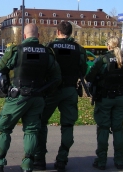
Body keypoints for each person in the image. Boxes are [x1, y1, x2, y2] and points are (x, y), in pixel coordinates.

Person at [0, 23, 61, 172]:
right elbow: (56, 77)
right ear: (38, 36)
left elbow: (1, 67)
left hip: (17, 96)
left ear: (24, 35)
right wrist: (45, 91)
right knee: (32, 131)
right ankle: (27, 164)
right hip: (38, 97)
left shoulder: (16, 50)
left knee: (3, 128)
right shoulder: (47, 53)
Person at [34, 21, 87, 171]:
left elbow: (43, 67)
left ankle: (39, 159)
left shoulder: (50, 47)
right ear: (71, 33)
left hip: (51, 90)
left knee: (41, 122)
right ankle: (62, 160)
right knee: (68, 125)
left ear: (57, 32)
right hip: (70, 90)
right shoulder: (79, 49)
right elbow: (83, 70)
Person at [85, 37, 123, 170]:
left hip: (104, 98)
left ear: (108, 46)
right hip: (121, 98)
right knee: (118, 129)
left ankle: (101, 160)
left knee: (103, 128)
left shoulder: (103, 59)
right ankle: (119, 160)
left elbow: (89, 76)